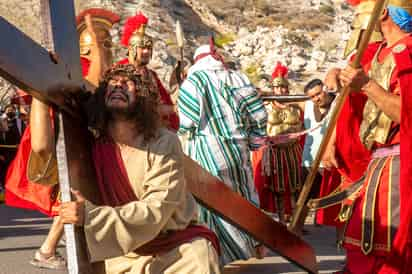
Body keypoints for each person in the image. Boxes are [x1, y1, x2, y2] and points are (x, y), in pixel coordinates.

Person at [29, 63, 221, 274]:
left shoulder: (164, 142)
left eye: (128, 83)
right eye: (112, 82)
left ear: (143, 98)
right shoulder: (94, 142)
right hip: (122, 251)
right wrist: (41, 84)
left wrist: (92, 217)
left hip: (173, 246)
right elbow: (41, 147)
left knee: (200, 259)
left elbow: (159, 207)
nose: (118, 85)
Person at [321, 2, 412, 272]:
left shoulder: (408, 52)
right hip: (377, 164)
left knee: (393, 247)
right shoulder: (378, 52)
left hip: (400, 165)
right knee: (364, 241)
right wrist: (336, 73)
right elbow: (352, 73)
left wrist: (368, 86)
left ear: (383, 12)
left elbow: (406, 112)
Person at [177, 42, 267, 264]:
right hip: (239, 150)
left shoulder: (195, 80)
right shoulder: (239, 78)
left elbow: (187, 121)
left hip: (207, 151)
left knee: (212, 207)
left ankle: (218, 256)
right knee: (242, 199)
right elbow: (258, 115)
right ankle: (249, 247)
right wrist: (254, 144)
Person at [252, 62, 304, 224]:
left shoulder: (296, 106)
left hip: (293, 151)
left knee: (295, 187)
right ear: (273, 89)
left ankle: (296, 222)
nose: (280, 91)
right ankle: (281, 221)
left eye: (283, 88)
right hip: (274, 153)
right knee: (278, 189)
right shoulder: (265, 105)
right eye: (277, 88)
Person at [119, 12, 179, 131]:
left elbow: (165, 100)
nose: (146, 52)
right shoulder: (121, 72)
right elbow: (128, 108)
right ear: (132, 49)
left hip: (157, 130)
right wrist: (168, 109)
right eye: (142, 48)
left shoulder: (151, 75)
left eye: (149, 48)